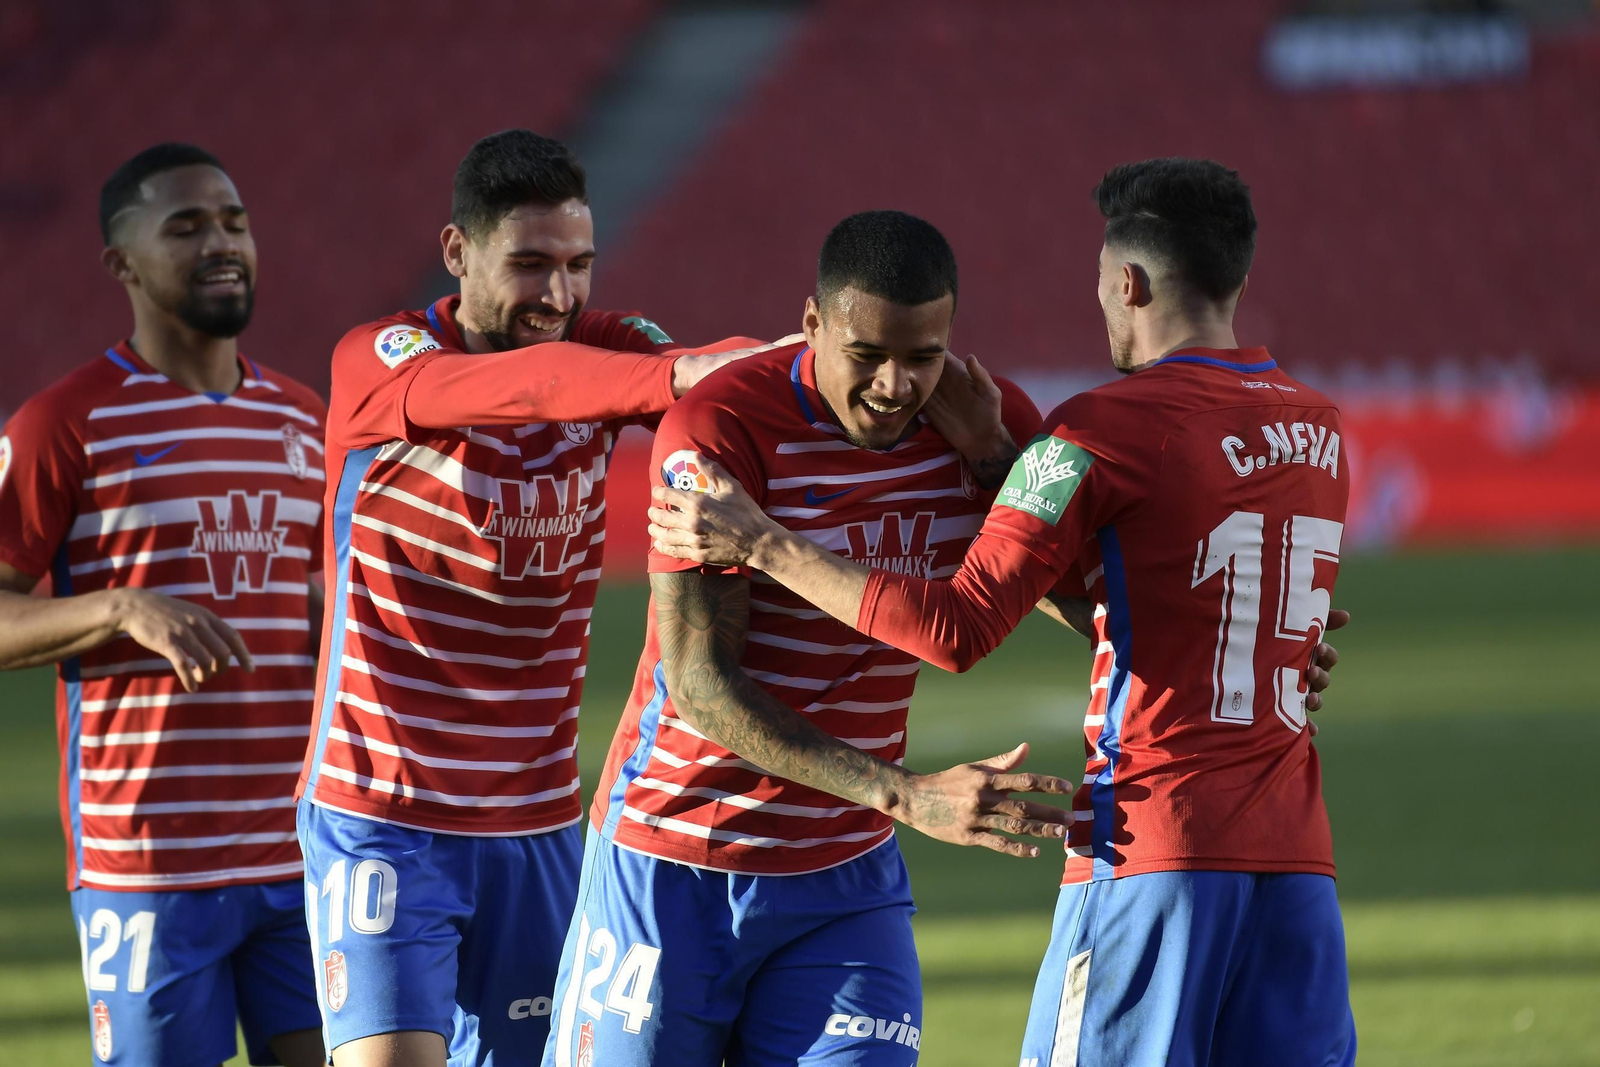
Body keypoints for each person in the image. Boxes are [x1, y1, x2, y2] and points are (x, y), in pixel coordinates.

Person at [649, 160, 1355, 1066]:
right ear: (1239, 279)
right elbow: (1182, 595)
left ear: (1128, 283)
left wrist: (766, 544)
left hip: (1153, 846)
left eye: (1102, 286)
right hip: (1298, 860)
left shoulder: (1095, 433)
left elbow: (958, 627)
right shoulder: (1320, 428)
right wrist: (991, 452)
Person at [542, 210, 1078, 1067]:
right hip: (675, 856)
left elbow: (1080, 597)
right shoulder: (724, 428)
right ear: (813, 323)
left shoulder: (983, 418)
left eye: (923, 355)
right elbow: (700, 682)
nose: (897, 385)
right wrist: (907, 795)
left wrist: (993, 461)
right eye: (867, 356)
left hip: (844, 878)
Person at [295, 129, 783, 1067]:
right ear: (457, 252)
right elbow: (524, 388)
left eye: (577, 265)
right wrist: (675, 375)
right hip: (385, 808)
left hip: (541, 819)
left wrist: (794, 363)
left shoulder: (599, 347)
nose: (556, 296)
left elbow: (688, 365)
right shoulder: (379, 360)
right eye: (528, 265)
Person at [0, 143, 327, 1067]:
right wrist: (119, 609)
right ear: (122, 262)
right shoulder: (64, 424)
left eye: (234, 222)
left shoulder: (302, 418)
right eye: (185, 226)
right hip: (146, 862)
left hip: (295, 847)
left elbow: (306, 612)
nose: (220, 242)